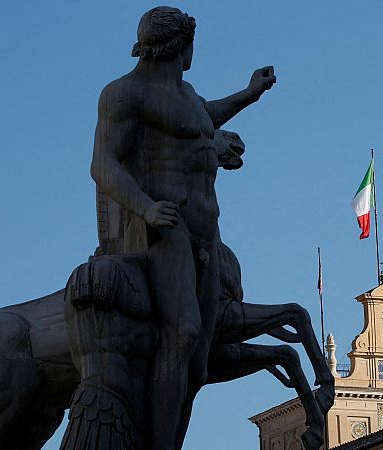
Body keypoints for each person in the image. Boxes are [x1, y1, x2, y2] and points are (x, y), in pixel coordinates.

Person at [90, 6, 275, 449]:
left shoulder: (187, 94)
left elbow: (205, 117)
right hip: (165, 229)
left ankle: (169, 439)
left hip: (205, 233)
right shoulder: (124, 93)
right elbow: (102, 164)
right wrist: (147, 208)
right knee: (184, 334)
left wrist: (250, 94)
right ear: (178, 45)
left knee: (200, 362)